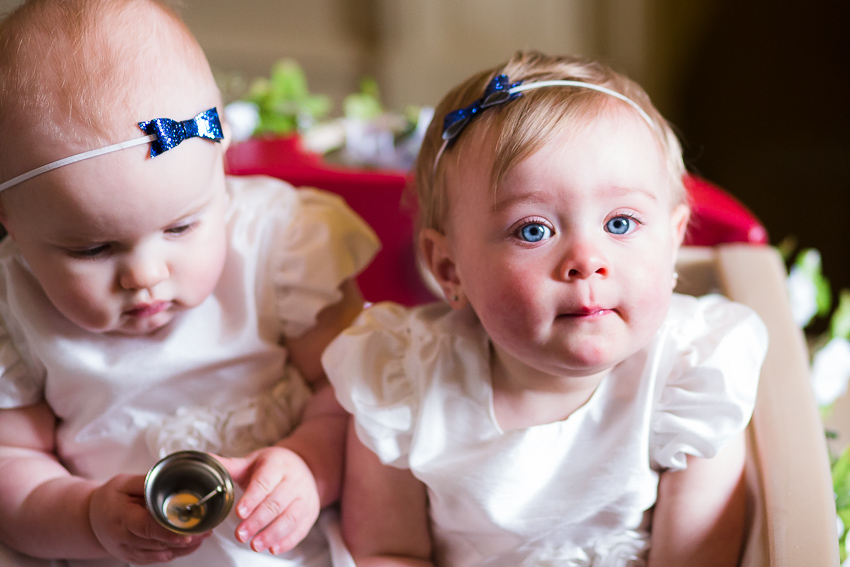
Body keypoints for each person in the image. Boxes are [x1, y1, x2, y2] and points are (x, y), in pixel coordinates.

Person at [322, 50, 768, 567]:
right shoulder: (400, 382)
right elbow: (386, 550)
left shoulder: (691, 377)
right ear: (449, 270)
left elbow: (695, 558)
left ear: (672, 242)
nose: (586, 261)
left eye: (620, 223)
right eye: (533, 230)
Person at [0, 1, 378, 566]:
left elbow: (356, 401)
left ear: (221, 162)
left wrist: (310, 465)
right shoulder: (16, 306)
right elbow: (11, 468)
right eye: (93, 249)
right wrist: (86, 517)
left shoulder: (278, 247)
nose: (144, 276)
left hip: (280, 550)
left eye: (180, 227)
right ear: (10, 221)